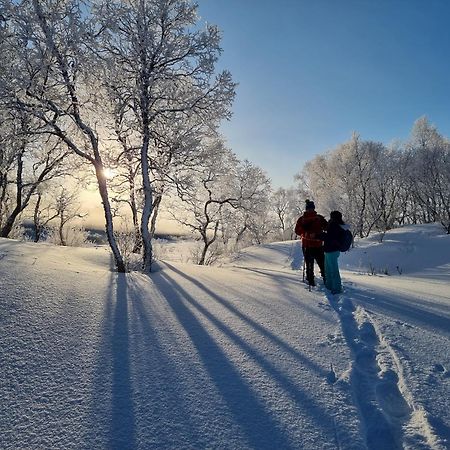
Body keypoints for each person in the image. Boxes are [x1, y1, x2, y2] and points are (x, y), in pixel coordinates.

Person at [294, 200, 328, 286]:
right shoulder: (319, 218)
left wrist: (304, 231)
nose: (310, 210)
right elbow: (327, 227)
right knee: (322, 264)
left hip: (307, 245)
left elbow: (297, 231)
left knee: (309, 264)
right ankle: (326, 279)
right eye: (310, 208)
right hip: (318, 245)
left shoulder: (302, 219)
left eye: (310, 208)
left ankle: (310, 281)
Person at [318, 210, 348, 295]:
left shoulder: (334, 225)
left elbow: (330, 238)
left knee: (333, 270)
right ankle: (329, 286)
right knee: (328, 269)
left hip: (332, 250)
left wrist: (319, 235)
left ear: (333, 217)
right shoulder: (337, 225)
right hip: (331, 250)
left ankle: (336, 288)